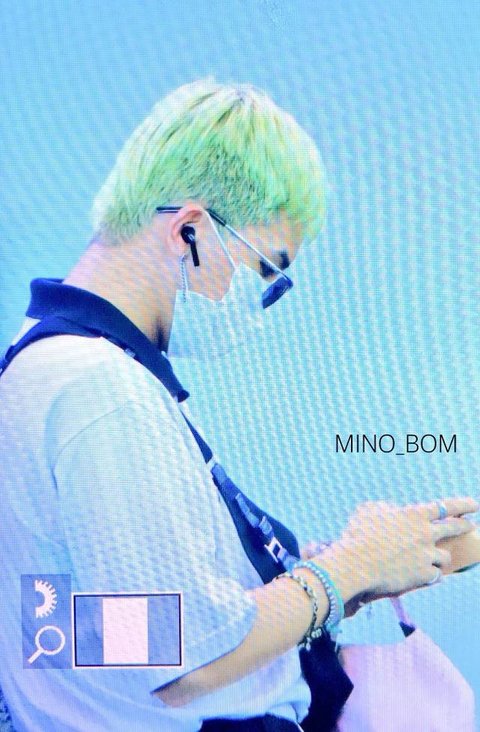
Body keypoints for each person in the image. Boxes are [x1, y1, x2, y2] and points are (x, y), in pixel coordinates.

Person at [0, 77, 477, 732]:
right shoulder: (101, 392)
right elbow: (187, 663)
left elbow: (102, 632)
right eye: (265, 271)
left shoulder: (52, 366)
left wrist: (362, 569)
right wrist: (348, 567)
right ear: (190, 231)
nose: (263, 304)